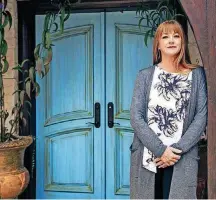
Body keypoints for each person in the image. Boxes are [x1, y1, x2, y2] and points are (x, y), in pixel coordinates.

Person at [130, 20, 207, 199]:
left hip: (181, 156)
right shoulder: (145, 76)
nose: (171, 40)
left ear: (182, 42)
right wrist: (161, 151)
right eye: (165, 36)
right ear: (158, 43)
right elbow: (136, 116)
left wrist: (175, 151)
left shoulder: (196, 75)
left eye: (176, 36)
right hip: (149, 156)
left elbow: (201, 116)